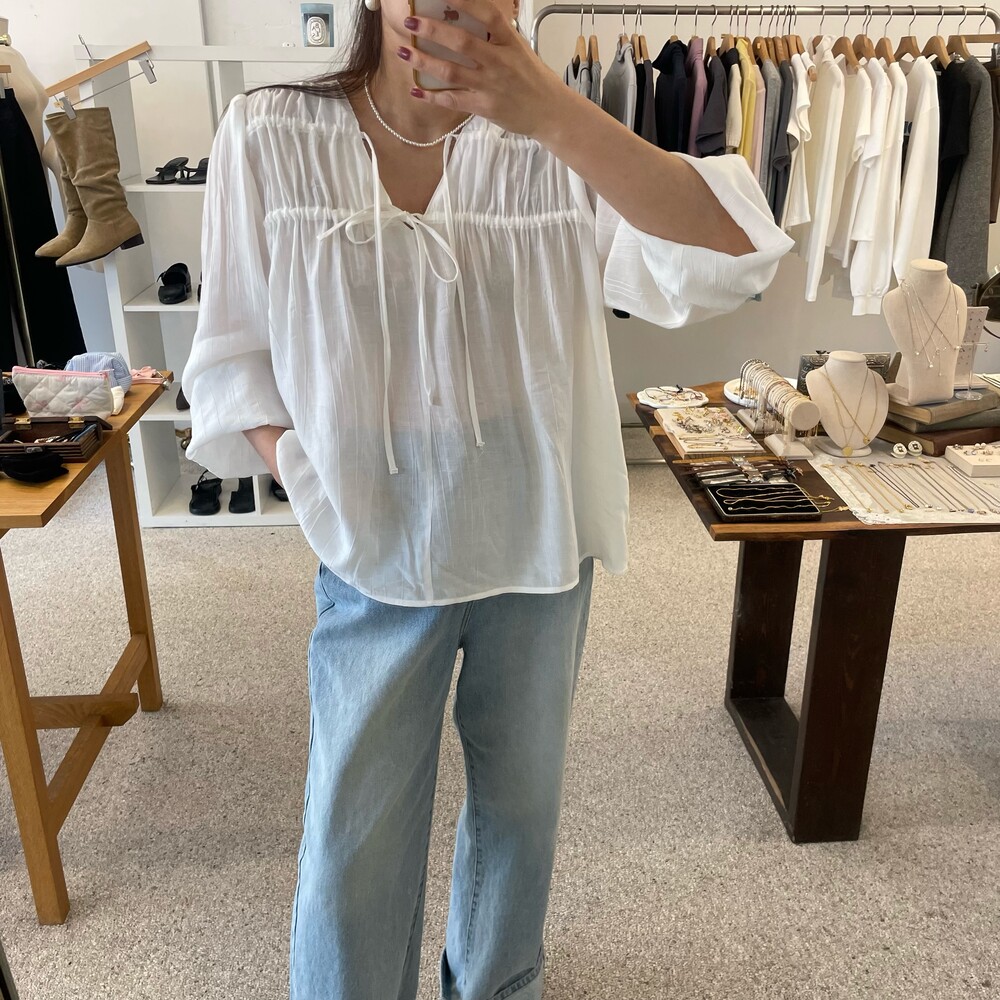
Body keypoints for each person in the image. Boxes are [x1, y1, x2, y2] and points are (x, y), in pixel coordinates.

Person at [182, 0, 792, 994]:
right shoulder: (269, 131)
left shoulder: (558, 138)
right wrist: (304, 469)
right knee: (352, 830)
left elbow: (734, 254)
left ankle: (498, 984)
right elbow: (233, 350)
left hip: (537, 524)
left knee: (521, 808)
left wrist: (552, 114)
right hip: (374, 534)